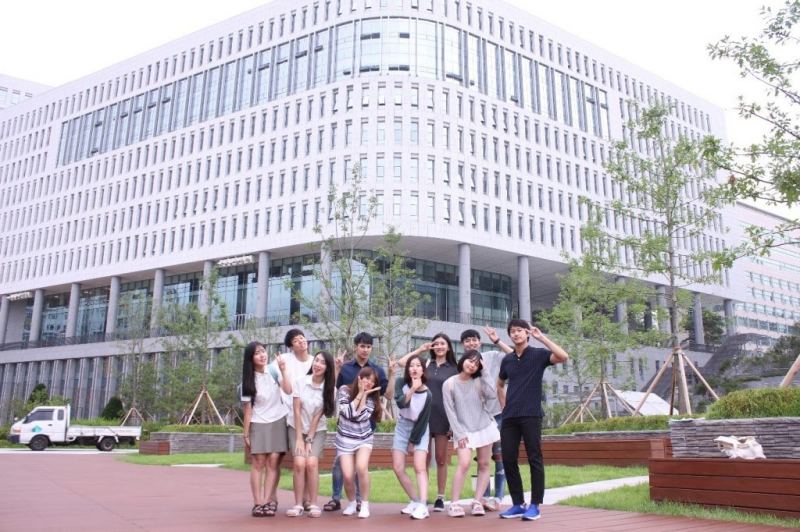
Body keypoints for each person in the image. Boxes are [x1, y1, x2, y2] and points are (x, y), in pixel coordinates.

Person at [497, 319, 568, 521]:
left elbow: (563, 356)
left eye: (519, 330)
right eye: (512, 331)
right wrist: (504, 406)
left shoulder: (538, 355)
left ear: (527, 333)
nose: (516, 334)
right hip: (510, 417)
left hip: (531, 414)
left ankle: (535, 505)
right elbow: (499, 384)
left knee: (534, 458)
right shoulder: (508, 359)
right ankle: (518, 504)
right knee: (508, 459)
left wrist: (542, 338)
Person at [324, 332, 393, 512]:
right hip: (346, 428)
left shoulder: (377, 370)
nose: (365, 350)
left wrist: (392, 374)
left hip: (365, 426)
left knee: (361, 467)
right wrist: (336, 368)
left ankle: (361, 501)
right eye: (362, 346)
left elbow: (388, 394)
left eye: (368, 346)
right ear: (356, 347)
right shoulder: (345, 368)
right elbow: (333, 390)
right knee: (340, 466)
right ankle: (337, 498)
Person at [397, 333, 458, 511]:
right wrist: (420, 349)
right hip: (422, 417)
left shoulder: (454, 368)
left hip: (443, 417)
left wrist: (454, 423)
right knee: (424, 459)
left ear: (448, 347)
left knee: (441, 458)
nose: (439, 346)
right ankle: (421, 499)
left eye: (442, 343)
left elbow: (457, 396)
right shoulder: (425, 364)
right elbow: (402, 363)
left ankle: (440, 497)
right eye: (436, 343)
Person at [459, 327, 514, 510]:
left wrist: (497, 341)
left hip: (497, 414)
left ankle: (498, 497)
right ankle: (483, 497)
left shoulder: (491, 356)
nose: (471, 343)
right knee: (482, 459)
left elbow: (514, 355)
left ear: (480, 342)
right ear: (462, 345)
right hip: (476, 419)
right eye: (467, 340)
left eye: (474, 339)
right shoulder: (463, 365)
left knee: (499, 456)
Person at [443, 350, 501, 517]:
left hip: (484, 426)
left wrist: (485, 371)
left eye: (476, 364)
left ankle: (477, 501)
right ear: (463, 360)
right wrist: (459, 433)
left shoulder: (479, 380)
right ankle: (454, 503)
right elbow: (450, 411)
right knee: (464, 463)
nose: (472, 365)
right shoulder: (449, 383)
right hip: (463, 430)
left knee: (484, 464)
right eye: (470, 360)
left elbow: (492, 396)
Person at [241, 341, 292, 518]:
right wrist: (246, 434)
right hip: (258, 422)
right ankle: (258, 503)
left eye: (263, 351)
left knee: (273, 462)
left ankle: (268, 500)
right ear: (251, 358)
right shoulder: (247, 380)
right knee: (258, 463)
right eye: (257, 353)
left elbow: (288, 390)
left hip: (278, 420)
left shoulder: (273, 370)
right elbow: (248, 410)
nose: (262, 355)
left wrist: (283, 370)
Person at [286, 350, 336, 518]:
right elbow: (296, 410)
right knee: (299, 463)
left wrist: (309, 439)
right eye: (316, 360)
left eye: (322, 362)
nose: (317, 364)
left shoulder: (330, 389)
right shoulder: (300, 382)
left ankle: (313, 503)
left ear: (328, 368)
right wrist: (299, 438)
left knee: (312, 463)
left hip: (317, 429)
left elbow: (317, 417)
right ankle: (298, 504)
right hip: (296, 427)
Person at [335, 366, 382, 518]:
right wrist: (360, 394)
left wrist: (364, 396)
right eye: (367, 378)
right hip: (344, 439)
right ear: (360, 377)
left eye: (373, 382)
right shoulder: (344, 390)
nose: (369, 383)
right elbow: (347, 412)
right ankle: (351, 503)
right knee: (348, 475)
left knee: (361, 467)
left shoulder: (371, 400)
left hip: (363, 438)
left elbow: (360, 416)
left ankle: (365, 504)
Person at [391, 354, 433, 520]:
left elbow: (423, 421)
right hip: (402, 426)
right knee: (398, 467)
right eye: (411, 365)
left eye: (418, 365)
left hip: (419, 429)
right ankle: (415, 500)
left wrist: (413, 441)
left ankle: (423, 505)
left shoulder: (428, 394)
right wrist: (413, 389)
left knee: (419, 467)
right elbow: (401, 403)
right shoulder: (401, 383)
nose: (414, 368)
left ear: (423, 370)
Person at [276, 328, 315, 508]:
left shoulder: (316, 362)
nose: (301, 341)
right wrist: (282, 370)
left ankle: (307, 500)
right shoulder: (285, 360)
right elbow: (286, 389)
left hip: (313, 419)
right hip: (291, 418)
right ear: (291, 346)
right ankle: (295, 500)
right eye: (296, 340)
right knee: (297, 462)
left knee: (309, 462)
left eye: (302, 337)